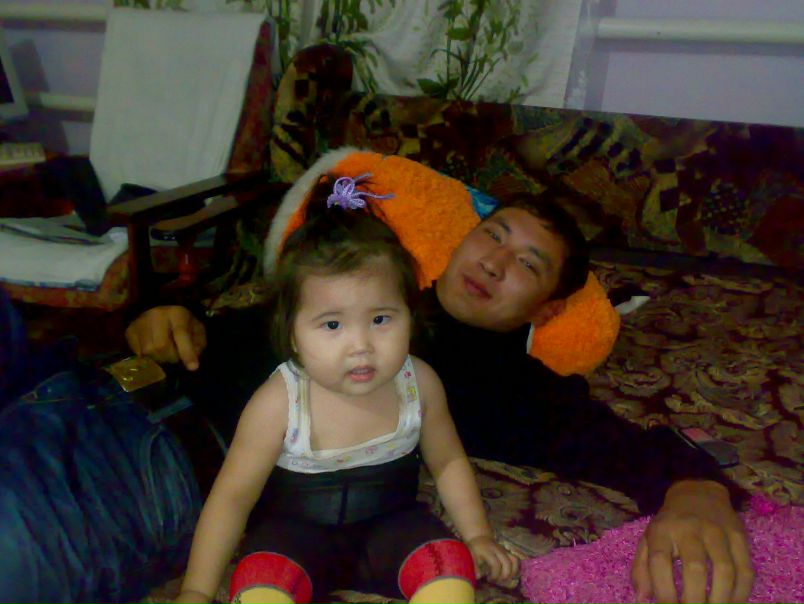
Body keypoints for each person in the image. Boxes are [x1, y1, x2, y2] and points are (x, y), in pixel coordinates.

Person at [129, 181, 754, 604]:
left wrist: (695, 487)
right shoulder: (365, 283)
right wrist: (167, 319)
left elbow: (621, 445)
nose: (494, 262)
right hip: (132, 417)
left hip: (163, 489)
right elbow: (232, 327)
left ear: (548, 308)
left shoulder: (514, 391)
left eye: (528, 263)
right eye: (493, 235)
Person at [174, 178, 519, 604]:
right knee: (259, 580)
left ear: (410, 317)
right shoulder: (280, 401)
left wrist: (477, 535)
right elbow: (231, 498)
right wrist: (196, 590)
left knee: (450, 565)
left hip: (393, 529)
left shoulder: (420, 383)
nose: (361, 346)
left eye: (380, 319)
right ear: (293, 334)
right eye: (333, 324)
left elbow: (447, 461)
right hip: (294, 539)